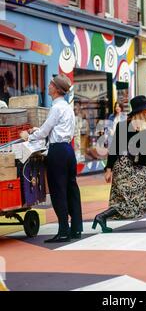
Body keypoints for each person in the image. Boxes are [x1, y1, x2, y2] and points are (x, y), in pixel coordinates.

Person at [92, 95, 146, 233]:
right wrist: (109, 169)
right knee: (129, 197)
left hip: (137, 165)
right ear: (139, 112)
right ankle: (101, 217)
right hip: (123, 166)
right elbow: (115, 148)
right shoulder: (123, 126)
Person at [20, 74, 83, 243]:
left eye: (50, 84)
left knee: (58, 191)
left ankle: (63, 231)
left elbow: (45, 131)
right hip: (68, 151)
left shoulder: (56, 108)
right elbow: (54, 128)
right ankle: (77, 228)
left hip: (57, 152)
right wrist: (38, 130)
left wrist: (28, 136)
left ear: (56, 89)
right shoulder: (67, 107)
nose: (48, 86)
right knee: (72, 189)